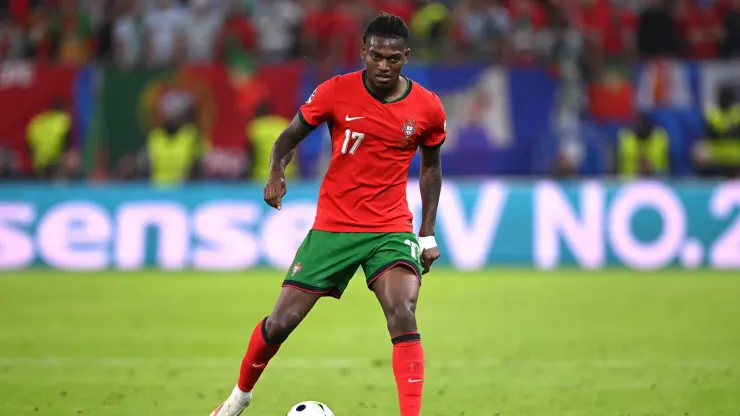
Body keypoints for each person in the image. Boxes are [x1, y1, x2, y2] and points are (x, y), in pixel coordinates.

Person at [209, 12, 446, 416]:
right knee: (281, 322)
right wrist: (276, 171)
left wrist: (426, 234)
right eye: (376, 57)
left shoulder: (427, 107)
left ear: (406, 56)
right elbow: (288, 137)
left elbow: (430, 168)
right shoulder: (336, 92)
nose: (384, 66)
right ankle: (239, 398)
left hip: (389, 227)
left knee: (403, 312)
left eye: (393, 58)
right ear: (363, 53)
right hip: (334, 226)